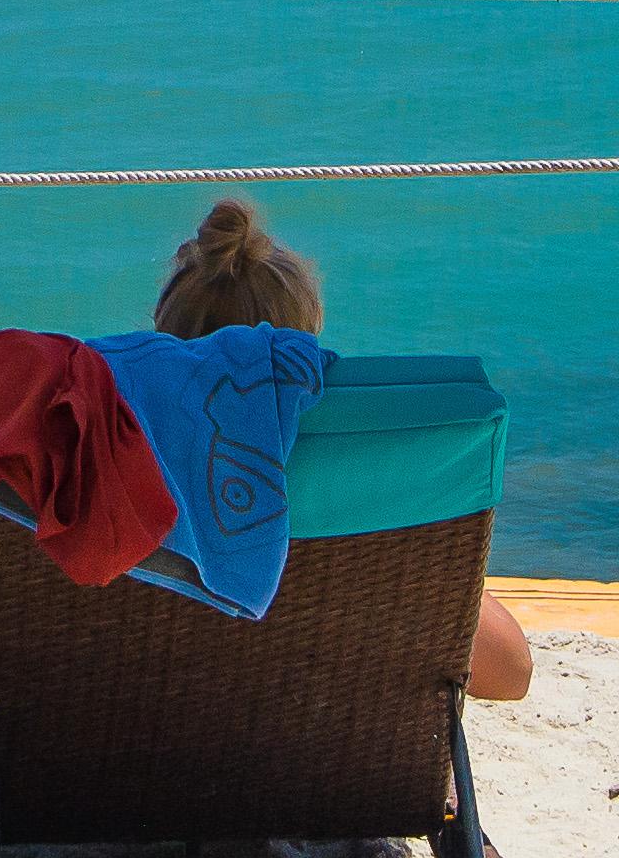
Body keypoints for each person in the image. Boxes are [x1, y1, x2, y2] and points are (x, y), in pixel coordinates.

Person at [149, 196, 531, 702]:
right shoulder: (368, 470)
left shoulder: (94, 483)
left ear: (164, 338)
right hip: (343, 766)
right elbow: (510, 676)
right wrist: (434, 560)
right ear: (307, 344)